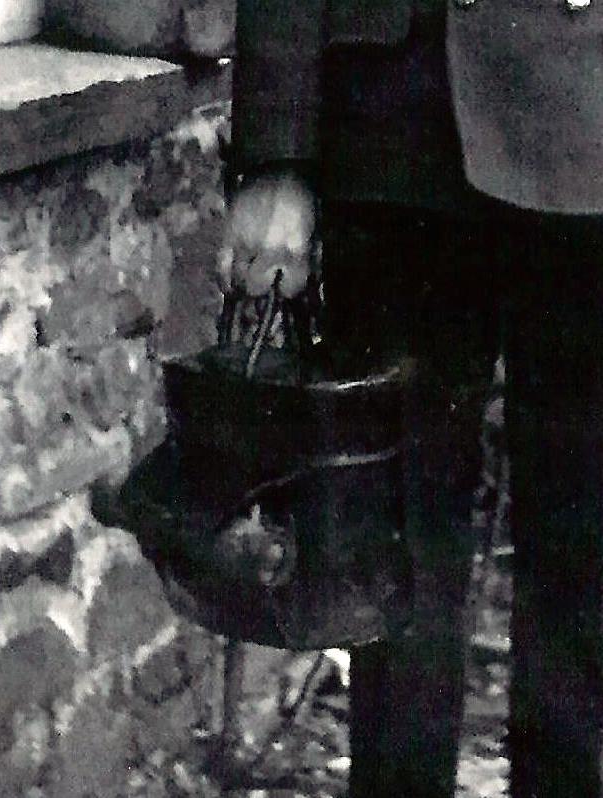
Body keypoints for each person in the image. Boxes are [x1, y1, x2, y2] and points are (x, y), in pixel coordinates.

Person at [220, 1, 603, 796]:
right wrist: (279, 156)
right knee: (396, 543)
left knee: (584, 538)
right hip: (402, 125)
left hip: (589, 121)